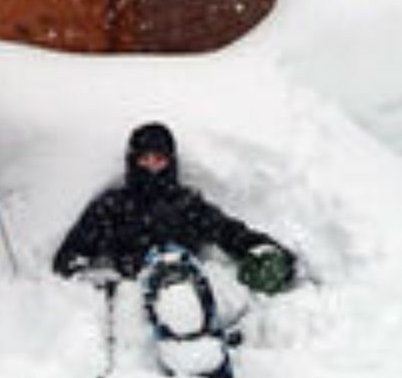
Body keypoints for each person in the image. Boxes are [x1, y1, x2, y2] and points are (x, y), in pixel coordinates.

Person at [52, 122, 297, 295]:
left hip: (188, 297)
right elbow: (70, 259)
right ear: (133, 160)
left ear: (170, 161)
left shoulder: (186, 204)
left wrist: (265, 250)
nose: (151, 166)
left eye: (159, 159)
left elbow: (228, 232)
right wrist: (106, 284)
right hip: (134, 304)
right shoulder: (113, 206)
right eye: (145, 159)